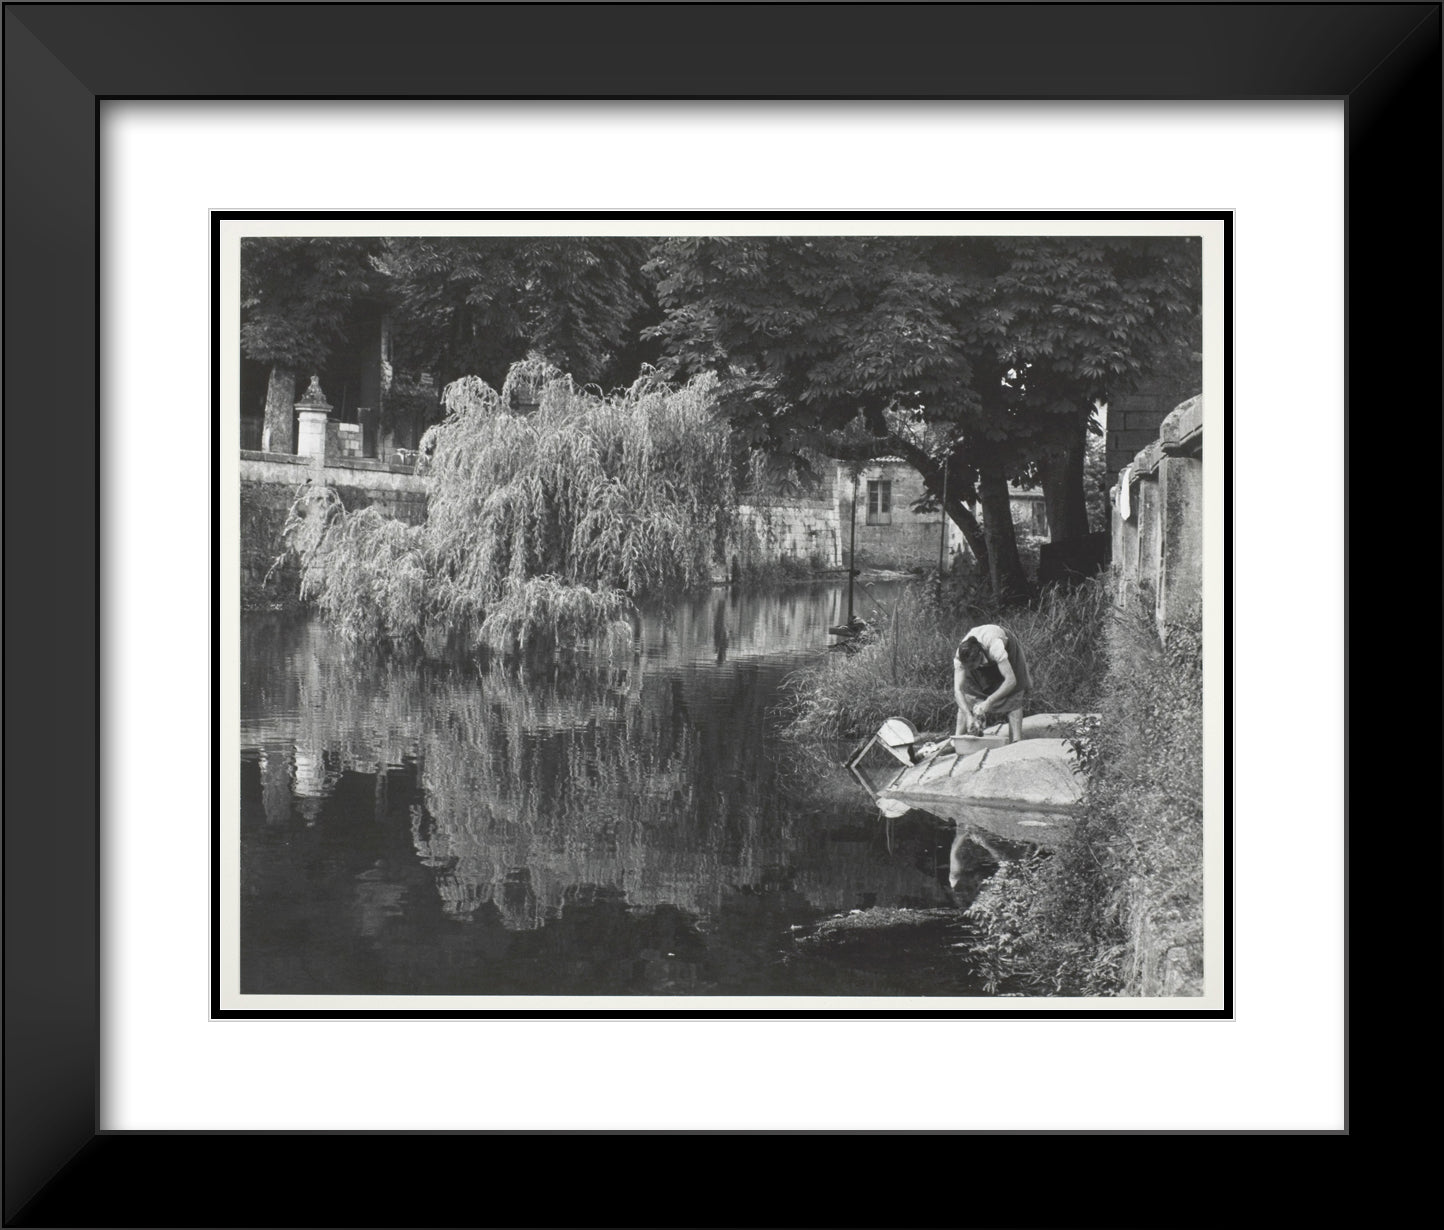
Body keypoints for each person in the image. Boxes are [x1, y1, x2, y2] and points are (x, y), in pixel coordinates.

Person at [953, 623, 1031, 744]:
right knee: (968, 695)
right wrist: (968, 715)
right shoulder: (960, 657)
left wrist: (989, 701)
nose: (970, 669)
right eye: (967, 666)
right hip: (979, 656)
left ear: (980, 656)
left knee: (1013, 695)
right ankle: (957, 739)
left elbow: (1011, 681)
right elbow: (958, 690)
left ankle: (1016, 741)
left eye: (972, 666)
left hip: (1004, 651)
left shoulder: (995, 647)